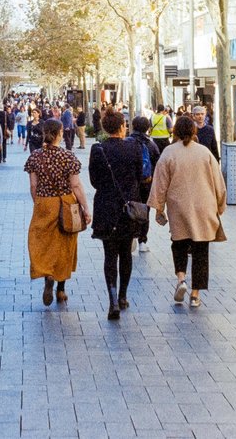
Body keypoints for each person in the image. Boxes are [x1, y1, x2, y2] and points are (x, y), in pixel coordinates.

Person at [148, 114, 227, 308]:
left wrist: (159, 208)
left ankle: (181, 279)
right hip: (204, 206)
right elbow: (219, 184)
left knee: (179, 243)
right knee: (201, 250)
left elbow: (160, 183)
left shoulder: (168, 153)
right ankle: (195, 294)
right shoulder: (205, 153)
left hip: (179, 206)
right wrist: (220, 206)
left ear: (174, 131)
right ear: (194, 131)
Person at [24, 118, 91, 306]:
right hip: (66, 204)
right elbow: (76, 185)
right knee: (65, 245)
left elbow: (33, 185)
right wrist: (85, 208)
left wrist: (38, 202)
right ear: (60, 133)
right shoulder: (68, 157)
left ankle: (48, 278)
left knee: (44, 244)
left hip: (44, 203)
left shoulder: (35, 156)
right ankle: (61, 289)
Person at [89, 109, 143, 320]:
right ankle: (122, 296)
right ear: (122, 127)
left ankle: (112, 299)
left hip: (105, 207)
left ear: (104, 127)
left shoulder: (98, 149)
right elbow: (140, 176)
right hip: (128, 208)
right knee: (126, 253)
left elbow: (94, 181)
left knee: (109, 254)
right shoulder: (134, 148)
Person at [127, 116, 161, 253]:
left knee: (130, 209)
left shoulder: (127, 143)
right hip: (147, 183)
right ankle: (142, 241)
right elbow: (158, 164)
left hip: (130, 183)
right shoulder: (151, 145)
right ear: (147, 128)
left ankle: (131, 236)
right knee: (144, 210)